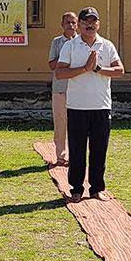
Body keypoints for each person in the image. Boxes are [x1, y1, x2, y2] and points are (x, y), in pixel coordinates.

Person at [55, 7, 124, 203]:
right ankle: (76, 189)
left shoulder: (107, 45)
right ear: (79, 24)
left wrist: (98, 68)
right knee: (77, 151)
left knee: (99, 150)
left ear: (98, 24)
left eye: (93, 21)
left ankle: (97, 189)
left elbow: (120, 71)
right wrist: (85, 68)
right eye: (86, 21)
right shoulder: (70, 46)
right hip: (77, 107)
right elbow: (60, 73)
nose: (90, 25)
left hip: (101, 107)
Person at [48, 11, 78, 166]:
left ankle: (75, 157)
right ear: (62, 24)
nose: (71, 25)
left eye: (73, 22)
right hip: (60, 88)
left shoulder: (82, 42)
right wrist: (65, 53)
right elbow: (52, 65)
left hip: (78, 89)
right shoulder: (57, 42)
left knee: (77, 125)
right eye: (68, 22)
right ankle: (61, 157)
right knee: (60, 124)